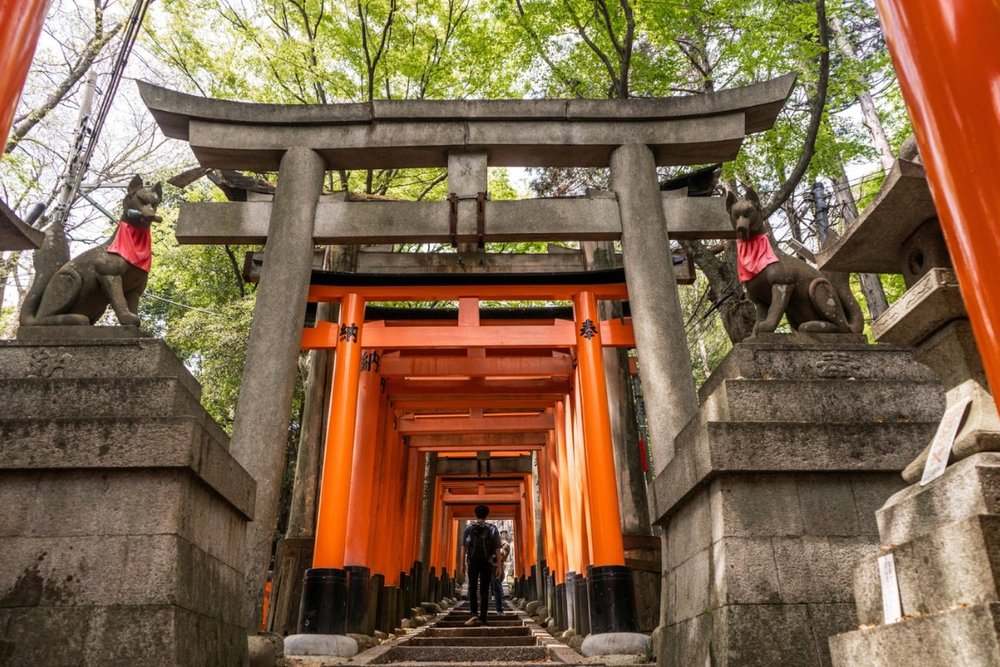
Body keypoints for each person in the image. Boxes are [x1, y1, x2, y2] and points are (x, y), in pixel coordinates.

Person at [462, 505, 501, 626]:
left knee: (472, 588)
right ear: (487, 515)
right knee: (485, 589)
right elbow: (497, 549)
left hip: (472, 562)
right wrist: (499, 566)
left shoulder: (469, 528)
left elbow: (463, 548)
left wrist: (463, 565)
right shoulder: (492, 529)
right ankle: (483, 617)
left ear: (475, 514)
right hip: (487, 562)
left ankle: (474, 614)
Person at [491, 530, 511, 613]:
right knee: (496, 585)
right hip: (495, 565)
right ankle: (498, 608)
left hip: (493, 565)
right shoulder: (503, 544)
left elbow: (504, 555)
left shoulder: (504, 544)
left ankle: (497, 607)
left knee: (495, 585)